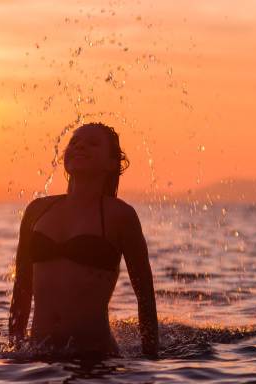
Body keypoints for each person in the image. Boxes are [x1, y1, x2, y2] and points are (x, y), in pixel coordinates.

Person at [8, 122, 159, 358]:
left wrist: (151, 358)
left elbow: (145, 295)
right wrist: (14, 350)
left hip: (96, 357)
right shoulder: (37, 210)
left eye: (92, 143)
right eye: (75, 142)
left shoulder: (120, 215)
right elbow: (22, 286)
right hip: (38, 357)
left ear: (111, 163)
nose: (80, 146)